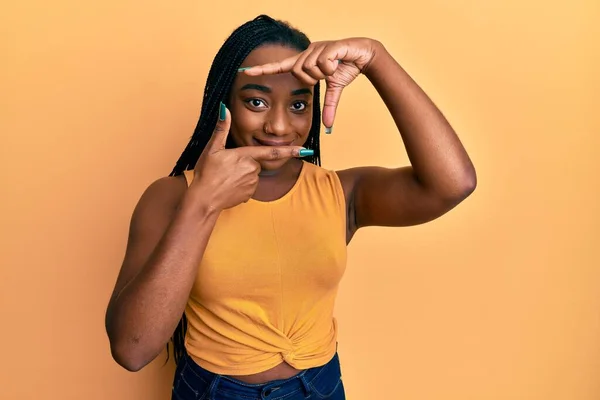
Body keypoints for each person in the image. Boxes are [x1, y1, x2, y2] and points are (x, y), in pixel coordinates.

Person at [104, 14, 476, 400]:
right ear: (224, 101)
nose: (279, 127)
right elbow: (132, 348)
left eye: (299, 104)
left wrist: (375, 58)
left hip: (321, 387)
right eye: (257, 101)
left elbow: (453, 183)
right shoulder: (172, 197)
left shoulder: (339, 193)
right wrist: (203, 203)